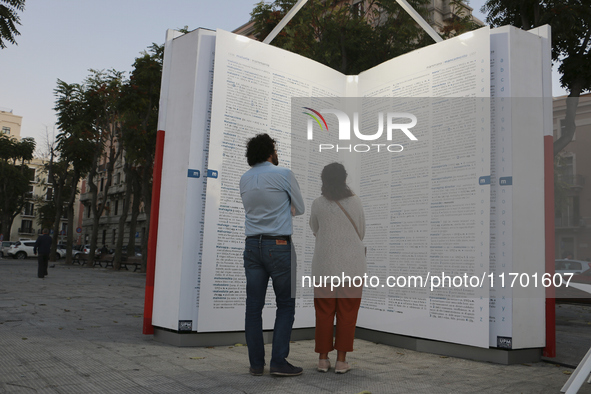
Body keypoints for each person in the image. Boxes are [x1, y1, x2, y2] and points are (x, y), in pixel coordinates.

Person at [240, 133, 305, 377]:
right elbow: (299, 208)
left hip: (252, 246)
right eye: (275, 149)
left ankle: (256, 364)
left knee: (253, 308)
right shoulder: (284, 174)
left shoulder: (244, 179)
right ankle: (278, 362)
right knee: (285, 305)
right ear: (270, 151)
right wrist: (284, 205)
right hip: (278, 245)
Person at [309, 162, 366, 374]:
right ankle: (341, 361)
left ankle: (323, 360)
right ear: (344, 178)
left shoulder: (317, 203)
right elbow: (361, 231)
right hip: (352, 267)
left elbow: (314, 228)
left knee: (323, 313)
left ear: (324, 180)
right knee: (347, 313)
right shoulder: (356, 202)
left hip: (324, 267)